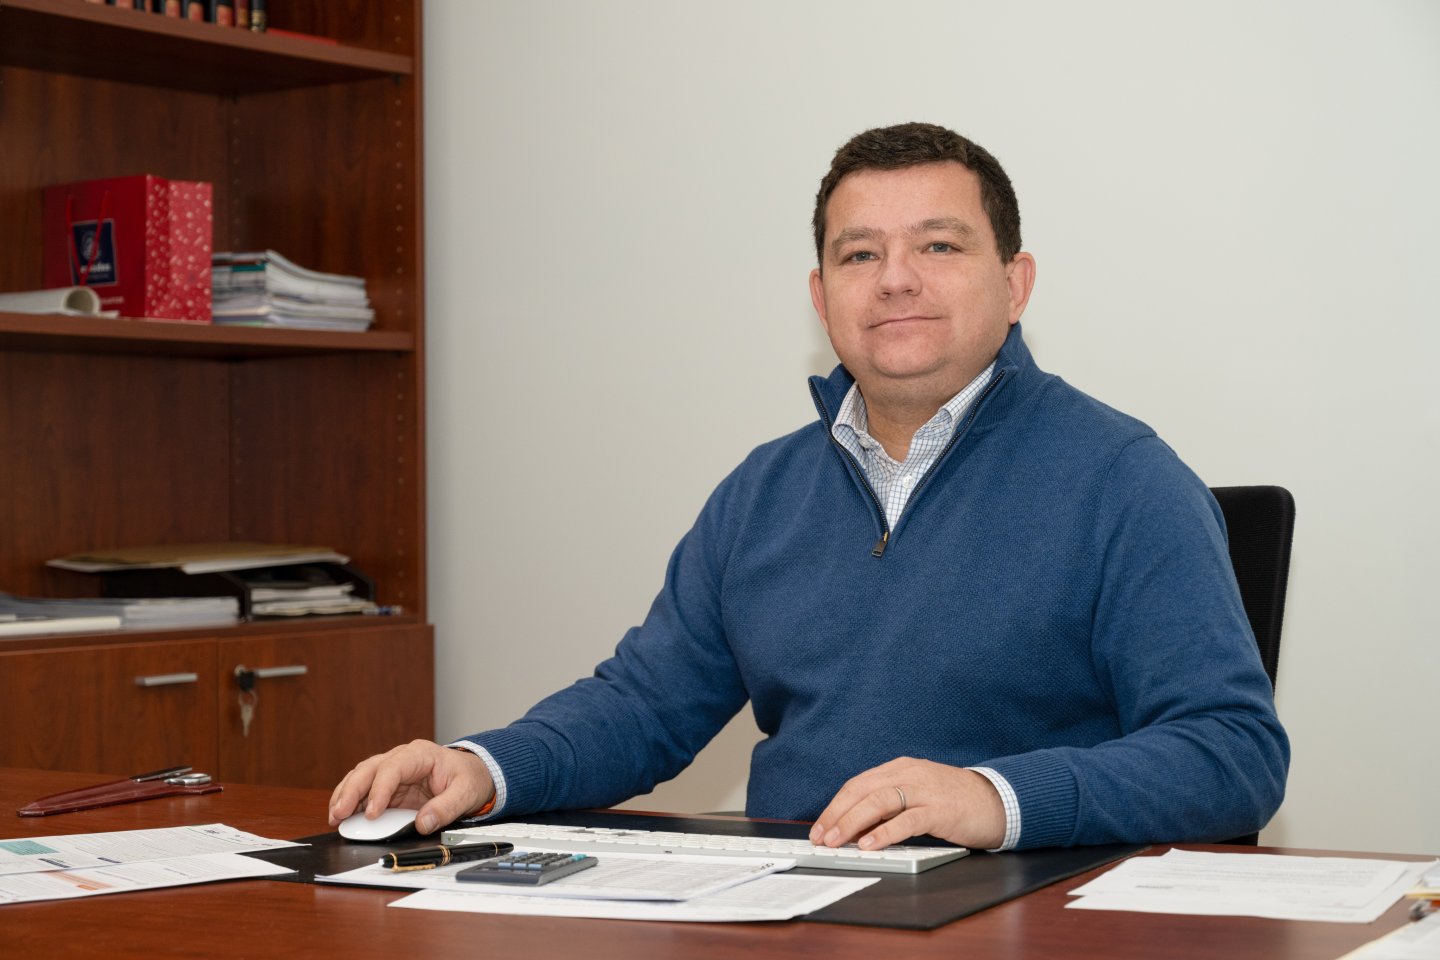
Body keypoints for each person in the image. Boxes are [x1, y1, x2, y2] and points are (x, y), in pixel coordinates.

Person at [330, 122, 1289, 852]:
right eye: (859, 254)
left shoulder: (1124, 478)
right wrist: (481, 766)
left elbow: (1233, 751)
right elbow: (645, 706)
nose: (895, 279)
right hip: (792, 906)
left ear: (1016, 283)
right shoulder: (763, 491)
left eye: (940, 246)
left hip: (1019, 915)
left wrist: (996, 798)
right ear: (823, 296)